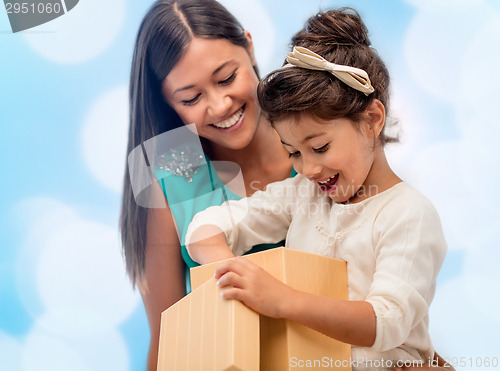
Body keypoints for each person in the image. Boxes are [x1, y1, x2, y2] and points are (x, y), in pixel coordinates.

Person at [185, 8, 453, 371]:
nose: (308, 169)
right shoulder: (302, 195)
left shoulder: (408, 214)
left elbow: (386, 323)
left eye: (320, 147)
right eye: (293, 152)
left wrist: (281, 300)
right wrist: (229, 270)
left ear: (372, 120)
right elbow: (208, 226)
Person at [119, 0, 293, 369]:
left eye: (227, 78)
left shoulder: (317, 134)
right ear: (169, 103)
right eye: (191, 98)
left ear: (249, 46)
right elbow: (167, 340)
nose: (219, 105)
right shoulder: (165, 176)